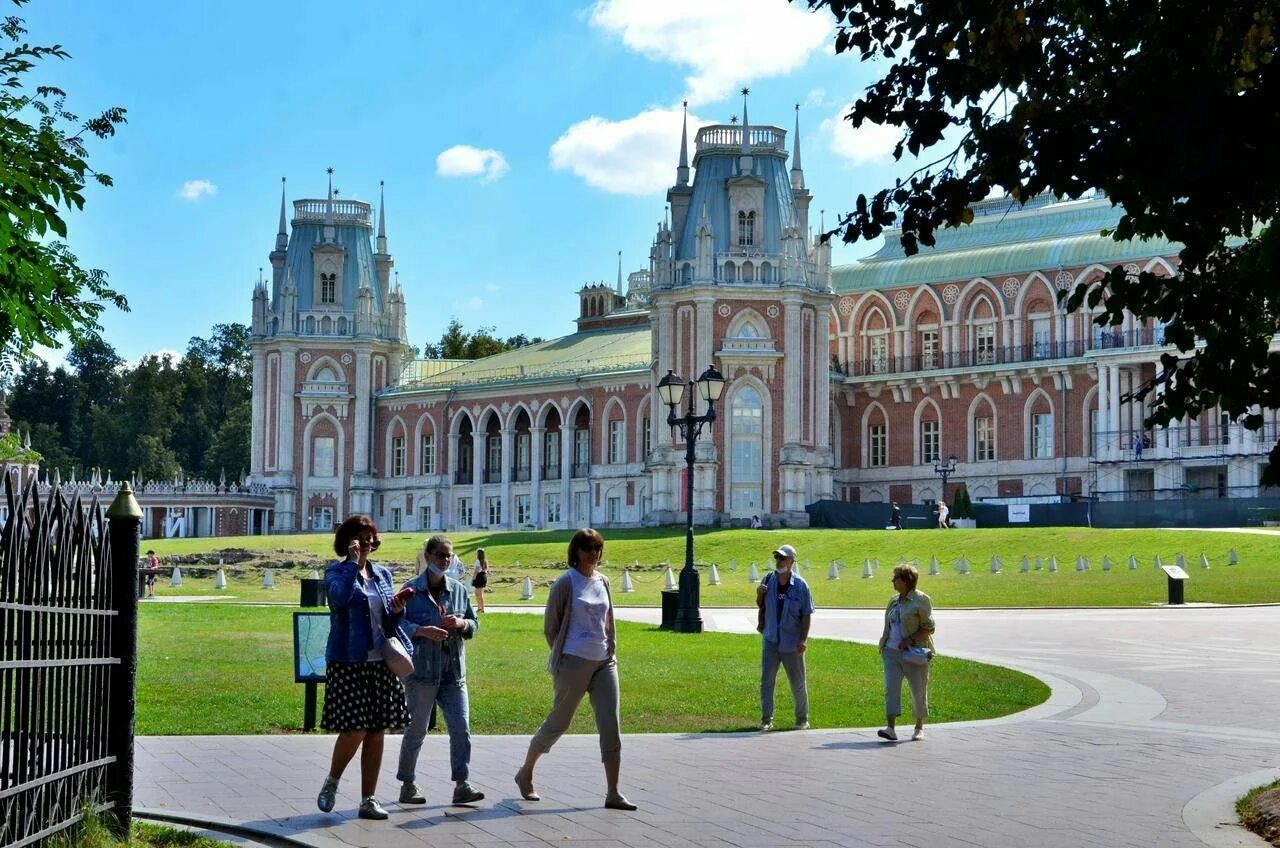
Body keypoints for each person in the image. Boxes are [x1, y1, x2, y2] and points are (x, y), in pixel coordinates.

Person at [514, 528, 636, 811]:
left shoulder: (603, 581)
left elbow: (607, 619)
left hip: (605, 661)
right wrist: (566, 654)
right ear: (576, 552)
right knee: (559, 722)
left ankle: (613, 792)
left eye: (597, 548)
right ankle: (526, 771)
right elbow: (551, 628)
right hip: (573, 662)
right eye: (588, 548)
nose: (594, 553)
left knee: (610, 723)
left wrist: (608, 647)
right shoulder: (565, 583)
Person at [316, 515, 412, 821]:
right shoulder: (336, 571)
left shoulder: (383, 574)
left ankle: (368, 798)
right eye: (361, 537)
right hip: (348, 660)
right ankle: (332, 781)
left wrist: (397, 611)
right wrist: (353, 566)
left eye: (371, 537)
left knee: (376, 730)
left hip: (380, 663)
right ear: (348, 541)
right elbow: (339, 600)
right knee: (354, 728)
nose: (368, 542)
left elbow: (388, 620)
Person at [396, 535, 484, 807]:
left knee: (461, 728)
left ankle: (462, 784)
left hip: (453, 673)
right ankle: (407, 784)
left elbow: (474, 622)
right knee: (417, 729)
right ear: (427, 556)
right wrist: (421, 631)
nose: (445, 561)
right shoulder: (410, 590)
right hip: (421, 673)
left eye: (449, 556)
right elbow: (396, 625)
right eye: (440, 556)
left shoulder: (458, 589)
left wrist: (461, 623)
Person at [755, 543, 814, 732]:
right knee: (767, 680)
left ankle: (802, 719)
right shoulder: (768, 579)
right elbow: (760, 605)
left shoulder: (801, 586)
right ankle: (766, 720)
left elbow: (806, 613)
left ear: (792, 561)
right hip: (771, 638)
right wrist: (759, 594)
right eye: (777, 557)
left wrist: (803, 640)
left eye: (782, 558)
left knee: (797, 681)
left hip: (792, 642)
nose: (779, 561)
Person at [877, 563, 935, 742]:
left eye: (896, 578)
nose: (892, 580)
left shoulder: (921, 600)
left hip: (913, 653)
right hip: (891, 652)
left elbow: (929, 628)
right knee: (891, 689)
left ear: (906, 581)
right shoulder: (893, 601)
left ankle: (919, 727)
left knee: (918, 690)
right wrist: (884, 645)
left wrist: (909, 640)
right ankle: (891, 728)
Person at [471, 548, 489, 613]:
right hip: (483, 576)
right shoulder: (485, 561)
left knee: (478, 594)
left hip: (479, 577)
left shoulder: (478, 561)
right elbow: (486, 570)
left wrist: (473, 578)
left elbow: (476, 570)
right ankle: (480, 608)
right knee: (478, 594)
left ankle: (481, 608)